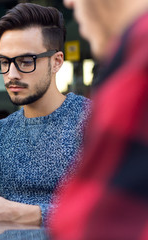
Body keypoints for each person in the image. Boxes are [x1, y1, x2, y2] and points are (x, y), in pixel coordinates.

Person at [0, 3, 91, 226]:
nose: (11, 74)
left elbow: (120, 207)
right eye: (4, 62)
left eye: (25, 61)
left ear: (56, 62)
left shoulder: (94, 121)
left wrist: (23, 213)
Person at [48, 0, 148, 239]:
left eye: (26, 61)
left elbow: (92, 226)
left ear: (57, 62)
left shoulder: (136, 69)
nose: (69, 2)